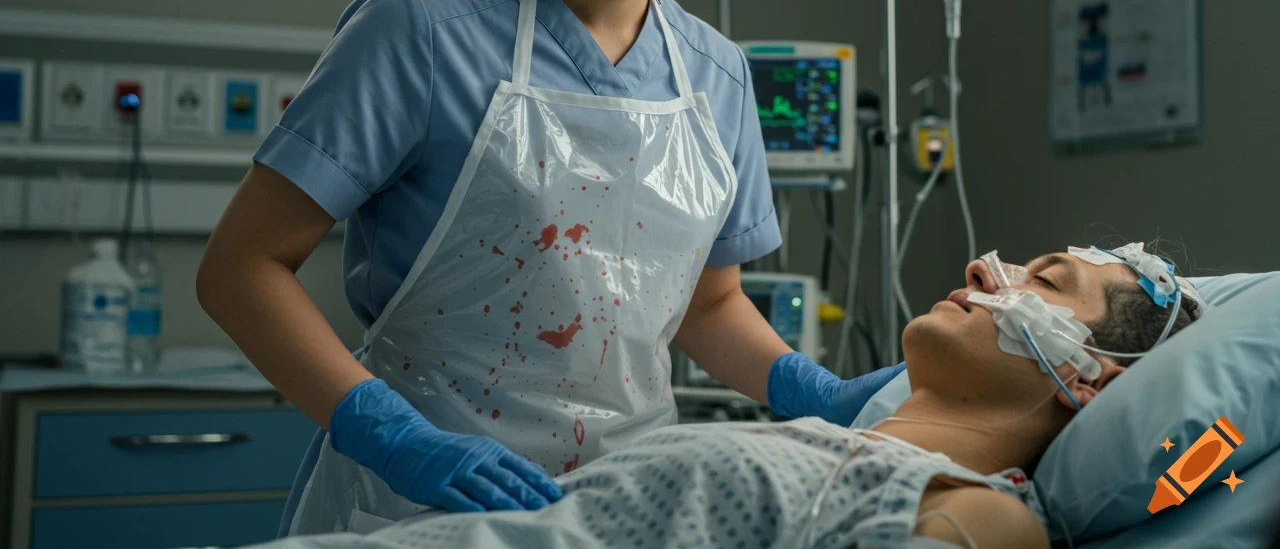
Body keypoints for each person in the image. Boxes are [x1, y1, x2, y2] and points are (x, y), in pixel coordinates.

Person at [196, 0, 902, 538]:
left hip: (622, 512)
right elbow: (241, 268)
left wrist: (813, 390)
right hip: (416, 511)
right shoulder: (422, 30)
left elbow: (707, 303)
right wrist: (393, 437)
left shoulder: (715, 77)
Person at [238, 243, 1203, 549]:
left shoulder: (980, 511)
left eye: (1044, 281)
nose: (987, 270)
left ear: (1090, 378)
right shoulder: (838, 449)